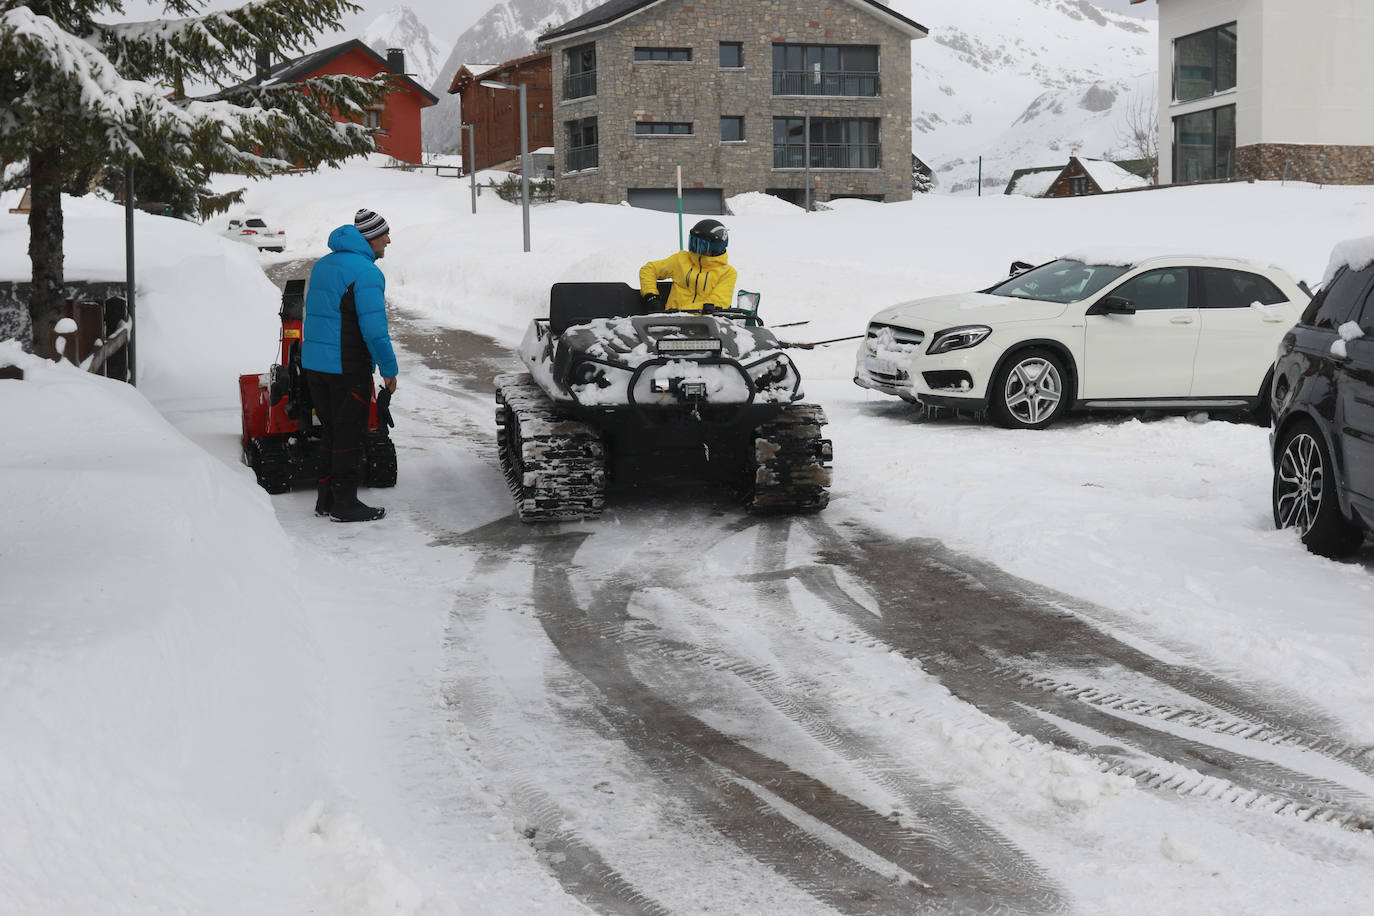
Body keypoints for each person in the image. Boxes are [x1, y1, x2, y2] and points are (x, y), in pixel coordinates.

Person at [301, 208, 399, 522]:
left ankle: (327, 500)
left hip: (315, 366)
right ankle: (344, 503)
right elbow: (374, 330)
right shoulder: (367, 273)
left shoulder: (323, 265)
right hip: (346, 366)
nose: (388, 240)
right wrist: (389, 369)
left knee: (331, 431)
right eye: (384, 234)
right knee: (351, 435)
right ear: (370, 238)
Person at [638, 218, 737, 312]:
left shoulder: (727, 273)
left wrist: (681, 312)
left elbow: (716, 303)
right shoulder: (681, 260)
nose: (694, 248)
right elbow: (649, 269)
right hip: (670, 321)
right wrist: (651, 295)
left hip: (704, 324)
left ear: (716, 248)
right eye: (693, 242)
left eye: (700, 245)